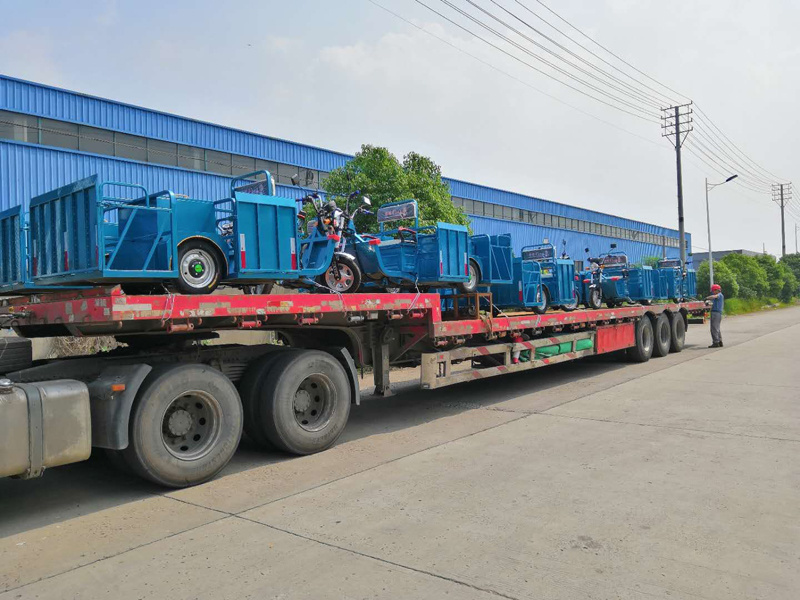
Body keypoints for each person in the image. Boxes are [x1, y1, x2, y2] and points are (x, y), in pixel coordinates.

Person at [705, 284, 724, 348]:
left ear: (716, 290)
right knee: (717, 328)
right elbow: (712, 303)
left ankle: (716, 342)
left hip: (716, 313)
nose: (713, 292)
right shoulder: (717, 297)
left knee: (714, 329)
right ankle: (720, 341)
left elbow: (714, 296)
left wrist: (707, 298)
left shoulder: (719, 295)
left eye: (713, 291)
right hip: (717, 313)